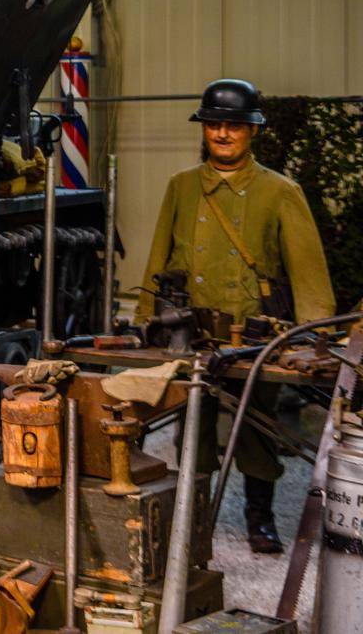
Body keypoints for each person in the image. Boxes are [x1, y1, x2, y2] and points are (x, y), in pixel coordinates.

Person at [140, 78, 335, 554]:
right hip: (194, 332)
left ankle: (259, 516)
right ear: (204, 130)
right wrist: (148, 319)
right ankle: (194, 515)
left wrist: (317, 337)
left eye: (234, 126)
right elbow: (159, 259)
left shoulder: (279, 192)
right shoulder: (182, 188)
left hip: (256, 332)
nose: (223, 134)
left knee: (256, 427)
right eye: (214, 125)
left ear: (252, 132)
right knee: (194, 426)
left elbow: (307, 270)